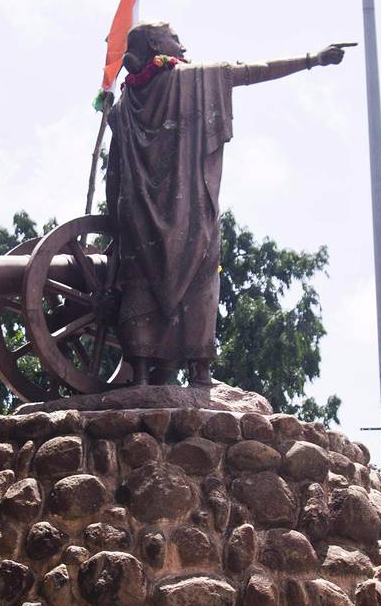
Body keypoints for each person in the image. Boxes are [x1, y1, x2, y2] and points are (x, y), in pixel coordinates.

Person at [106, 22, 345, 386]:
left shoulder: (123, 107)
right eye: (174, 37)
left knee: (141, 284)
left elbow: (114, 174)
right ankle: (200, 371)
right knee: (201, 282)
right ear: (156, 43)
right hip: (191, 215)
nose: (182, 44)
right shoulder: (193, 80)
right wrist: (312, 59)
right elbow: (249, 72)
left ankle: (141, 373)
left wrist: (115, 226)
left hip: (138, 219)